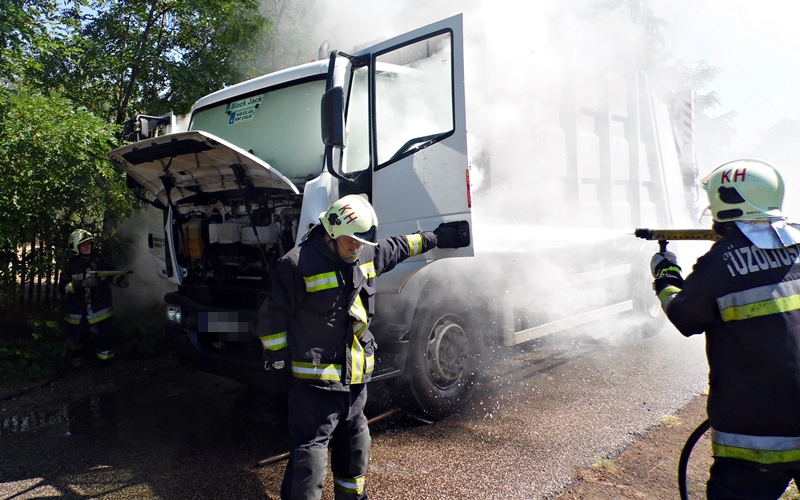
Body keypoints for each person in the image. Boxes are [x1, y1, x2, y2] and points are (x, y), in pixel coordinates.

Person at [257, 194, 463, 500]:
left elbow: (400, 246)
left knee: (355, 447)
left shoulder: (365, 254)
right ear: (331, 234)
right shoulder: (296, 265)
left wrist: (436, 237)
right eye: (351, 241)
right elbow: (272, 320)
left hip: (355, 381)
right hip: (316, 383)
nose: (356, 248)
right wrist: (277, 363)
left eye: (361, 242)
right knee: (310, 458)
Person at [650, 159, 800, 499]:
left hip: (757, 436)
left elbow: (685, 316)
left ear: (728, 204)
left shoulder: (721, 262)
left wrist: (665, 277)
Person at [59, 229, 129, 367]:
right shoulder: (70, 266)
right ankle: (74, 365)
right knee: (76, 339)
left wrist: (119, 281)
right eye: (84, 244)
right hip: (77, 311)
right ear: (76, 247)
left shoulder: (99, 260)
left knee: (106, 337)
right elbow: (63, 288)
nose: (88, 246)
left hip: (100, 308)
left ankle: (105, 364)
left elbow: (110, 275)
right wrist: (81, 284)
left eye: (90, 243)